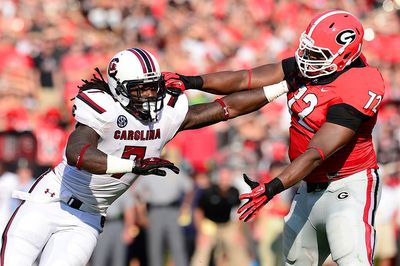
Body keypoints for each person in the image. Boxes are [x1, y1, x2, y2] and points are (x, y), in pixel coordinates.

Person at [0, 47, 287, 266]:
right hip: (49, 202)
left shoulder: (167, 114)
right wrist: (133, 165)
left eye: (153, 86)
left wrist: (282, 88)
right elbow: (77, 154)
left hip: (86, 218)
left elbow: (227, 108)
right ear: (118, 88)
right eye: (140, 89)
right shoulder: (104, 109)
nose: (150, 95)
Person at [164, 10, 385, 265]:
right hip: (308, 186)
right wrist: (191, 81)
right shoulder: (307, 68)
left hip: (349, 184)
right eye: (308, 50)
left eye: (317, 55)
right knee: (293, 260)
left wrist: (273, 187)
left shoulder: (360, 83)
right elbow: (245, 79)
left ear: (345, 55)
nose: (306, 60)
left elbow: (317, 152)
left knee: (351, 256)